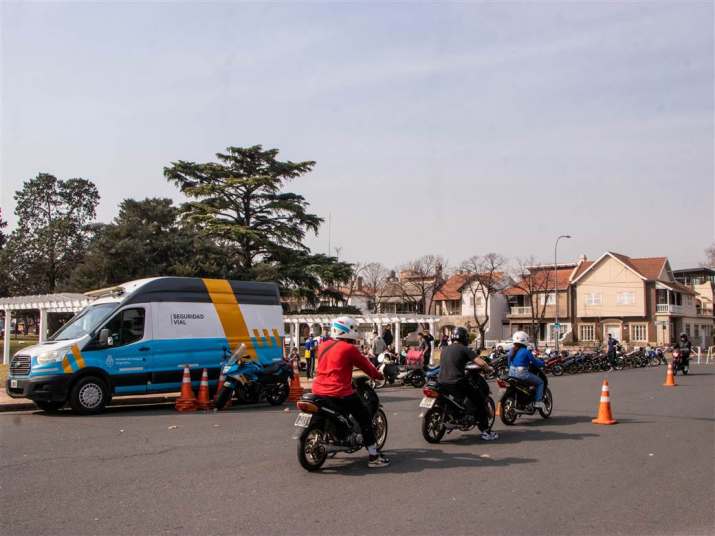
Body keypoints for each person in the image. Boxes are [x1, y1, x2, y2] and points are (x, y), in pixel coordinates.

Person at [311, 316, 390, 468]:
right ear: (348, 330)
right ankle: (374, 457)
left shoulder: (323, 345)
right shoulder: (349, 349)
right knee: (364, 416)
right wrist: (378, 375)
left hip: (317, 390)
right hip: (339, 392)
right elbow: (366, 366)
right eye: (354, 329)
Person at [438, 326, 498, 441]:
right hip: (457, 382)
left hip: (441, 382)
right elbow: (480, 362)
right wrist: (488, 368)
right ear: (464, 338)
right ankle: (486, 432)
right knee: (479, 400)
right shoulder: (464, 349)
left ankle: (458, 415)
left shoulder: (444, 349)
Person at [507, 331, 546, 408]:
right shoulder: (526, 351)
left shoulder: (512, 350)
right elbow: (535, 362)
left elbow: (508, 363)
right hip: (521, 374)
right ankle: (538, 401)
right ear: (525, 340)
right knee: (540, 382)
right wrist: (543, 363)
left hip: (511, 374)